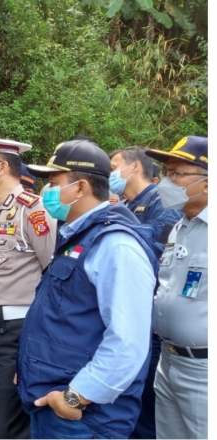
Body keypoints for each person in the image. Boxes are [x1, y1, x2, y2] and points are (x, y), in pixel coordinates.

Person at [16, 139, 159, 439]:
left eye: (54, 184)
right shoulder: (78, 237)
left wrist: (74, 398)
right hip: (55, 404)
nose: (47, 194)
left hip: (85, 417)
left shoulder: (116, 244)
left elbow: (127, 342)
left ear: (80, 188)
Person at [0, 132, 56, 439]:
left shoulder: (34, 210)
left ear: (1, 167)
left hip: (12, 332)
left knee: (8, 423)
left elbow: (53, 276)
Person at [109, 146, 182, 439]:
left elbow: (158, 255)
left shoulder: (162, 201)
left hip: (152, 323)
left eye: (114, 165)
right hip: (132, 316)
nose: (111, 172)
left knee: (148, 413)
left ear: (134, 167)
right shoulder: (126, 205)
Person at [144, 136, 208, 439]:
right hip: (168, 361)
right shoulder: (181, 226)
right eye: (166, 172)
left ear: (207, 183)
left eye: (176, 174)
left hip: (205, 369)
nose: (167, 181)